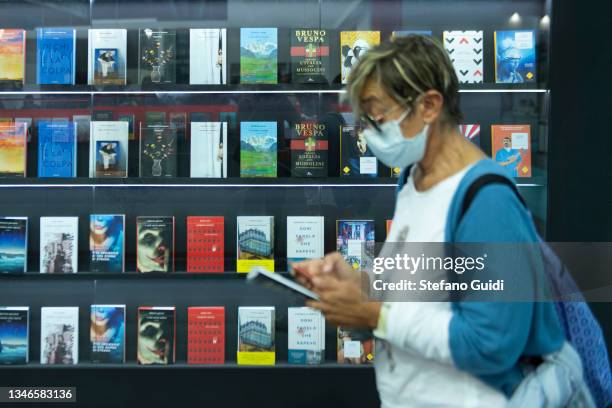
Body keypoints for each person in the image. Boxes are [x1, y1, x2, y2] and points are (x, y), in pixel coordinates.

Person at [293, 35, 591, 407]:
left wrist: (373, 314)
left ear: (429, 106)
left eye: (376, 113)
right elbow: (420, 292)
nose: (366, 129)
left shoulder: (487, 204)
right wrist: (359, 287)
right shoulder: (412, 182)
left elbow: (493, 343)